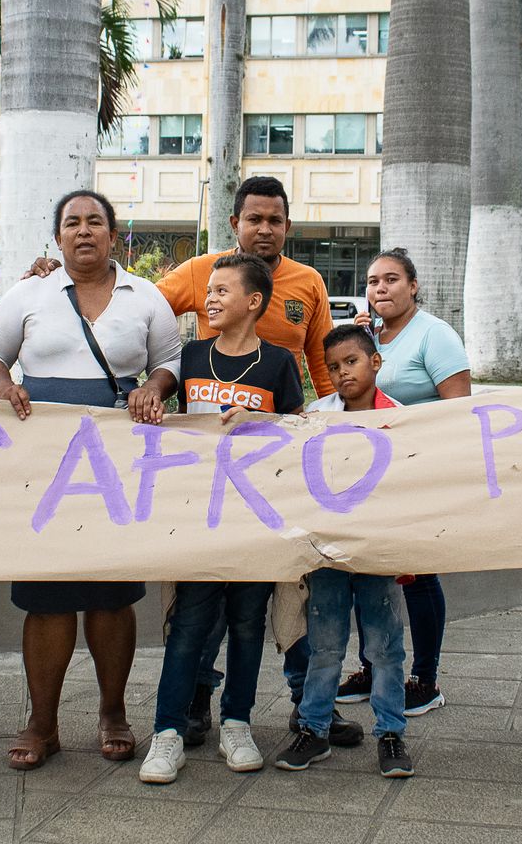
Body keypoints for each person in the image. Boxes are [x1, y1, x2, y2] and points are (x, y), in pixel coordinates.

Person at [29, 174, 334, 744]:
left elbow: (319, 367)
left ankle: (306, 703)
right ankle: (193, 703)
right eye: (253, 218)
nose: (263, 228)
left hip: (273, 471)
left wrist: (328, 427)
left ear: (287, 227)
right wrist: (58, 278)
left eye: (274, 220)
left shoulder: (309, 282)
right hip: (199, 485)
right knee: (194, 606)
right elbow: (135, 304)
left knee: (282, 598)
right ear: (236, 224)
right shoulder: (200, 275)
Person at [0, 190, 183, 770]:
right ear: (58, 236)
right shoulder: (30, 292)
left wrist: (154, 387)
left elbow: (171, 358)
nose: (84, 231)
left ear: (113, 235)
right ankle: (42, 723)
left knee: (112, 597)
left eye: (95, 222)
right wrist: (3, 387)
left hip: (116, 465)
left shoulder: (146, 296)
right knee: (46, 598)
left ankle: (113, 712)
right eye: (72, 223)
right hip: (44, 467)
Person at [140, 253, 304, 785]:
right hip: (199, 519)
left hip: (256, 521)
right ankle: (167, 732)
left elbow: (300, 432)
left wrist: (266, 420)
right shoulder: (189, 357)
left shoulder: (279, 363)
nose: (209, 299)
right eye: (208, 291)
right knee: (188, 624)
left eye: (221, 291)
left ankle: (238, 723)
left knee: (247, 625)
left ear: (253, 302)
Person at [333, 248, 471, 717]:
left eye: (391, 280)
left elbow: (458, 411)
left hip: (418, 476)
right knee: (368, 570)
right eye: (373, 282)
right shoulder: (369, 337)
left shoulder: (435, 335)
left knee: (418, 575)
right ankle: (373, 668)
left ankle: (425, 679)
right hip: (368, 479)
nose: (381, 289)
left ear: (413, 286)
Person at [279, 324, 414, 778]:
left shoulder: (401, 417)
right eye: (333, 367)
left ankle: (391, 733)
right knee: (325, 645)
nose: (342, 374)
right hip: (328, 554)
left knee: (384, 646)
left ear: (375, 362)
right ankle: (314, 728)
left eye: (351, 362)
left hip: (377, 553)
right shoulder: (318, 415)